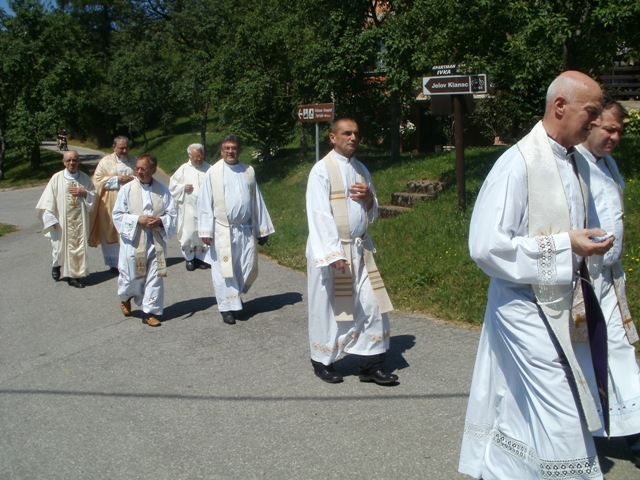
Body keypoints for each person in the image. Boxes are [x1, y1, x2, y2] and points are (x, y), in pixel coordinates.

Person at [458, 71, 613, 479]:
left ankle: (505, 471)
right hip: (523, 305)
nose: (596, 123)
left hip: (564, 301)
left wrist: (588, 245)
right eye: (591, 112)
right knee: (560, 406)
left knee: (523, 399)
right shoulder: (517, 164)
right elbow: (485, 246)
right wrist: (567, 247)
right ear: (560, 106)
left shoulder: (576, 161)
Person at [305, 118, 397, 386]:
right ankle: (323, 360)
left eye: (356, 133)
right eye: (347, 133)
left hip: (360, 249)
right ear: (332, 137)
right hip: (334, 253)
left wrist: (369, 199)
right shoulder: (321, 170)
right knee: (333, 308)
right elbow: (318, 214)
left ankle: (371, 364)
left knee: (372, 304)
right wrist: (333, 254)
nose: (353, 138)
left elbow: (373, 210)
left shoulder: (361, 169)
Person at [575, 97, 640, 467]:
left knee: (621, 352)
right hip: (583, 280)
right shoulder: (574, 165)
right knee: (586, 358)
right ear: (592, 124)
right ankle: (589, 433)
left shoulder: (609, 164)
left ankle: (632, 436)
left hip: (609, 279)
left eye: (620, 131)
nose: (615, 136)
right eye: (609, 129)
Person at [197, 134, 275, 325]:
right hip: (223, 229)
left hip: (245, 229)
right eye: (227, 148)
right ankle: (227, 308)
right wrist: (206, 231)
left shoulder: (248, 171)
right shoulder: (213, 173)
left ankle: (235, 299)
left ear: (239, 150)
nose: (230, 151)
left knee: (243, 266)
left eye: (234, 148)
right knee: (224, 269)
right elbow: (205, 202)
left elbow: (256, 199)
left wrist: (262, 229)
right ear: (221, 150)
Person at [112, 154, 177, 327]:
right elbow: (117, 215)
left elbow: (172, 214)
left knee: (155, 277)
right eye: (138, 168)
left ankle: (150, 312)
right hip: (135, 240)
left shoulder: (162, 190)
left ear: (153, 170)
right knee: (133, 275)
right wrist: (136, 220)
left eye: (143, 169)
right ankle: (126, 296)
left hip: (156, 241)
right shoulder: (127, 189)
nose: (139, 172)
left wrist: (161, 221)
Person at [36, 150, 95, 288]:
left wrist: (84, 193)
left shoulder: (84, 178)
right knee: (58, 249)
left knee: (77, 248)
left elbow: (94, 195)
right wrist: (50, 219)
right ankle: (56, 265)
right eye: (68, 160)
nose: (71, 163)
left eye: (74, 160)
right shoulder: (56, 178)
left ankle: (74, 276)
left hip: (80, 222)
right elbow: (47, 200)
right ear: (64, 162)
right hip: (61, 222)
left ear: (78, 161)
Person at [89, 136, 136, 272]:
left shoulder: (134, 160)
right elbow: (97, 181)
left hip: (131, 202)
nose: (124, 150)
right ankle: (115, 264)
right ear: (114, 147)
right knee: (110, 231)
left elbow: (143, 175)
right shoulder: (105, 162)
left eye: (127, 147)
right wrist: (117, 179)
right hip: (111, 202)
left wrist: (132, 179)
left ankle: (130, 259)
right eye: (121, 148)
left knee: (130, 230)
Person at [169, 143, 211, 271]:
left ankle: (201, 258)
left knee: (202, 233)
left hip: (205, 208)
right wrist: (183, 188)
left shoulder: (209, 168)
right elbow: (172, 186)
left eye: (200, 155)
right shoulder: (183, 169)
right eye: (196, 156)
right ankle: (189, 259)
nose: (199, 159)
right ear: (190, 156)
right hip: (188, 208)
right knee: (189, 233)